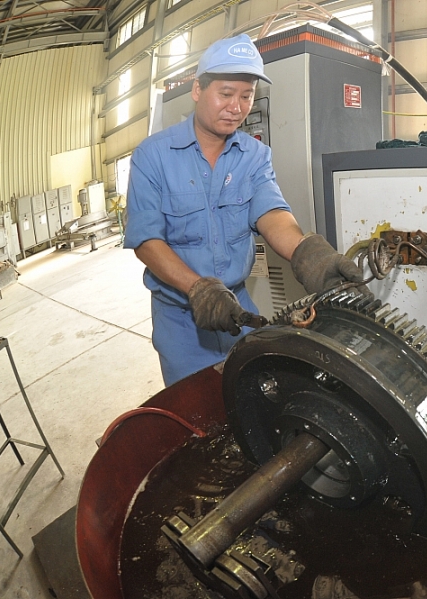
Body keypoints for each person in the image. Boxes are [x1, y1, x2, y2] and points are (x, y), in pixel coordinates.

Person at [124, 34, 362, 386]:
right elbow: (146, 239)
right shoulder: (152, 155)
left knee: (250, 395)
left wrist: (308, 254)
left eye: (246, 96)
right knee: (197, 407)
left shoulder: (254, 155)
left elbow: (270, 212)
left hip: (239, 309)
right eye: (226, 93)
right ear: (197, 90)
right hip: (181, 321)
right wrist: (197, 288)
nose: (236, 107)